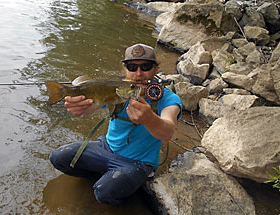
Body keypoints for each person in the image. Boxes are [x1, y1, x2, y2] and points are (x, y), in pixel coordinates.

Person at [49, 43, 182, 205]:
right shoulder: (117, 89)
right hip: (106, 148)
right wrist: (78, 106)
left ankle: (122, 180)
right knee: (58, 157)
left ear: (156, 68)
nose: (138, 73)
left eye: (145, 66)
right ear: (125, 69)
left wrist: (149, 119)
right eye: (132, 67)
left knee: (104, 192)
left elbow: (168, 132)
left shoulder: (168, 99)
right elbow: (90, 105)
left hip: (138, 162)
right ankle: (111, 177)